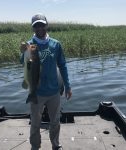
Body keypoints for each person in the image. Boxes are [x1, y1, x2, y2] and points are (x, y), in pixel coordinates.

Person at [20, 14, 72, 150]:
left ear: (46, 25)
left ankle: (55, 145)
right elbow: (23, 63)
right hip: (36, 93)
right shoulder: (29, 45)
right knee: (35, 123)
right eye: (36, 25)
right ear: (33, 27)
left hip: (54, 91)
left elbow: (63, 65)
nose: (39, 28)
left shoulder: (56, 44)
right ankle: (35, 147)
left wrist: (67, 86)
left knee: (55, 122)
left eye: (42, 24)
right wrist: (22, 53)